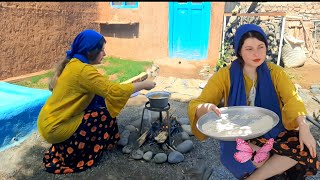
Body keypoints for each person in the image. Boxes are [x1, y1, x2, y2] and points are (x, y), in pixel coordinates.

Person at [188, 24, 319, 179]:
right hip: (238, 132)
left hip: (273, 130)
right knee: (247, 155)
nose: (256, 53)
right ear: (239, 51)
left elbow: (292, 99)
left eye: (260, 47)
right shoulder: (225, 75)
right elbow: (198, 104)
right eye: (249, 49)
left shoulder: (275, 72)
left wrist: (304, 127)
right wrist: (206, 108)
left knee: (306, 147)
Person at [37, 29, 156, 174]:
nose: (105, 54)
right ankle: (79, 155)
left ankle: (81, 145)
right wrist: (144, 84)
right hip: (55, 128)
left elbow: (104, 90)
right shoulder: (84, 71)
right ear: (90, 51)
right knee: (104, 115)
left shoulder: (74, 64)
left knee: (101, 103)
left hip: (47, 121)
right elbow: (114, 91)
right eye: (102, 50)